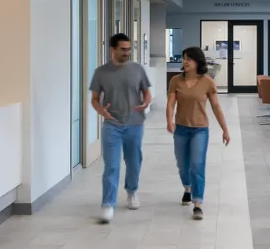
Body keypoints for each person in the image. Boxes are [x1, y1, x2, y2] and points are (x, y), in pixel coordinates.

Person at [90, 33, 152, 223]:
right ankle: (108, 204)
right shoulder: (101, 72)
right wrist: (102, 111)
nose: (127, 53)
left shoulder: (138, 69)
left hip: (135, 124)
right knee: (112, 166)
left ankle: (132, 191)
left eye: (128, 49)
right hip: (112, 125)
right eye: (123, 49)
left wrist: (145, 104)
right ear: (113, 50)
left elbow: (147, 93)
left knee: (134, 162)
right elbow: (94, 99)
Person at [166, 46, 230, 221]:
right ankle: (187, 187)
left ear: (198, 61)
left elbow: (216, 107)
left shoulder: (207, 81)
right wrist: (169, 120)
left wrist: (225, 129)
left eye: (189, 59)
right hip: (181, 129)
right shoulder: (176, 81)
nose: (185, 61)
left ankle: (198, 203)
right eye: (184, 58)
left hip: (200, 130)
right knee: (182, 165)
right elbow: (171, 103)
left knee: (197, 164)